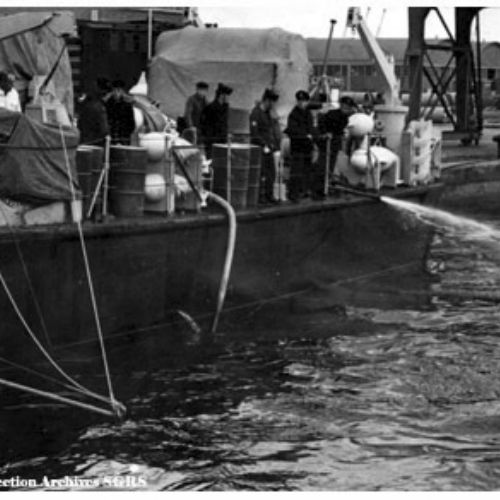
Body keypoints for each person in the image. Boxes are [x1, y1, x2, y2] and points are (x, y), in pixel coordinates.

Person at [316, 95, 357, 194]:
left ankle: (327, 183)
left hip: (335, 143)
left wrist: (342, 135)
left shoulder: (345, 118)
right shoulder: (332, 114)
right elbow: (321, 123)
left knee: (331, 164)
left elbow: (340, 129)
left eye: (348, 108)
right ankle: (320, 186)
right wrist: (326, 133)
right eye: (345, 107)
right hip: (326, 143)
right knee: (323, 164)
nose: (347, 109)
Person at [249, 88, 281, 203]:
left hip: (268, 147)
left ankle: (269, 194)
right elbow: (254, 133)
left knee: (271, 172)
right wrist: (263, 144)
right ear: (267, 100)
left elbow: (271, 130)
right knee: (261, 173)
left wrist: (273, 145)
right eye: (272, 102)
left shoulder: (268, 114)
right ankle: (260, 195)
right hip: (259, 148)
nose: (273, 105)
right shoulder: (256, 113)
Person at [284, 90, 315, 202]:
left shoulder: (308, 114)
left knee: (306, 171)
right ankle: (294, 193)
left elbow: (311, 128)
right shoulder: (293, 115)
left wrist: (312, 136)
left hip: (307, 147)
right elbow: (293, 130)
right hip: (298, 147)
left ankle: (304, 191)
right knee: (296, 171)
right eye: (300, 101)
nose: (302, 103)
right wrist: (305, 135)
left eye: (304, 101)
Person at [200, 82, 232, 158]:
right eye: (227, 96)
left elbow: (225, 124)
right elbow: (205, 127)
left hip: (222, 142)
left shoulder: (225, 108)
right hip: (212, 142)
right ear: (221, 96)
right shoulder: (210, 108)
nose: (229, 98)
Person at [104, 79, 135, 145]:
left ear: (122, 91)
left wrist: (126, 133)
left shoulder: (127, 105)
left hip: (124, 136)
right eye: (115, 90)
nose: (117, 93)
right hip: (111, 136)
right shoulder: (108, 104)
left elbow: (131, 123)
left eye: (119, 90)